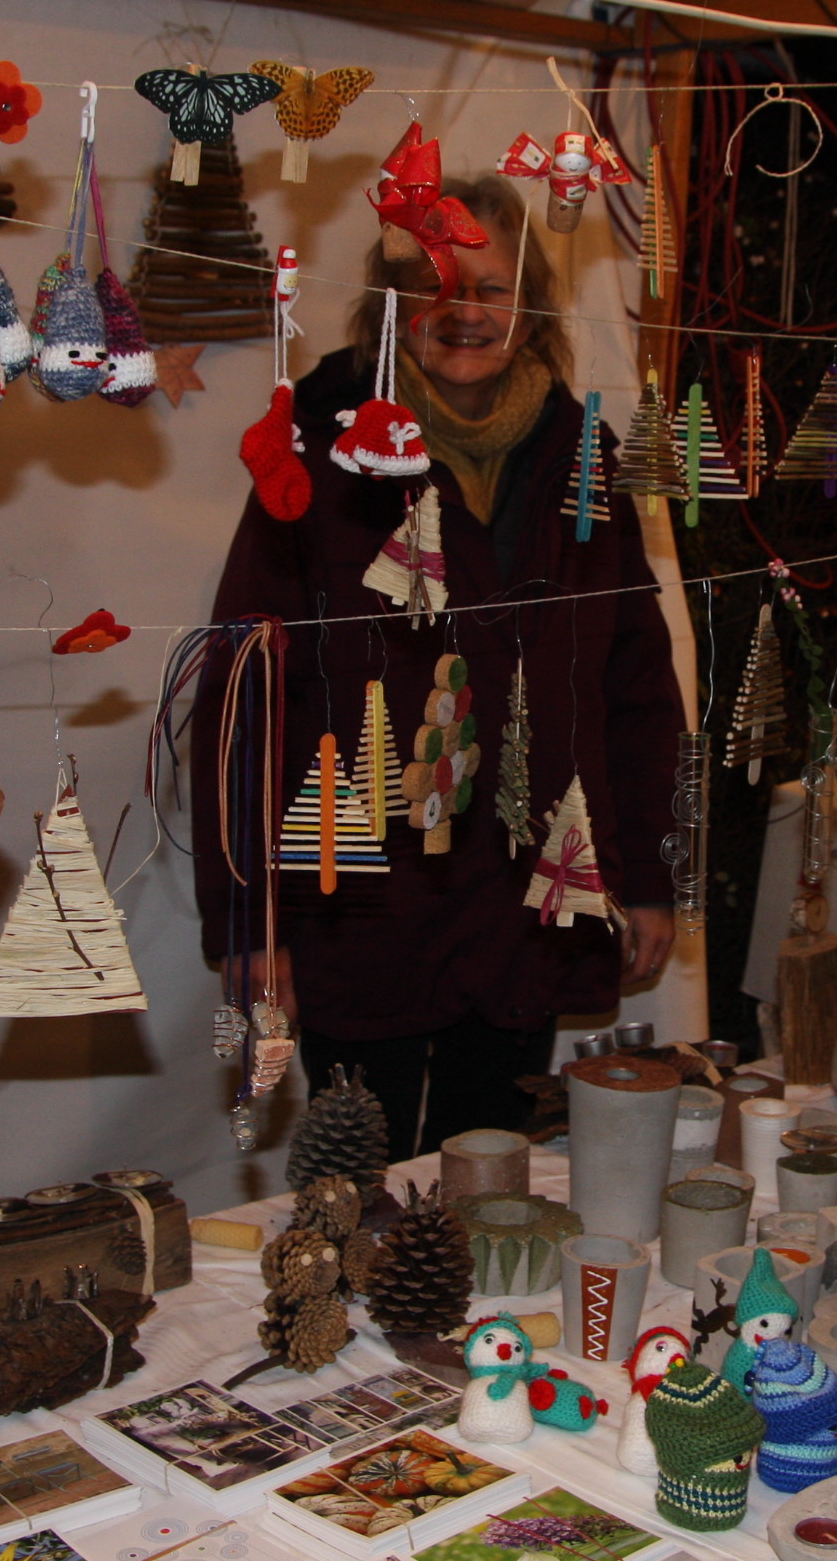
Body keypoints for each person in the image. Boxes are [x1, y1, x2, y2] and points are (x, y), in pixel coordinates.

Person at [197, 174, 682, 1160]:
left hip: (527, 908)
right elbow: (244, 699)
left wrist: (647, 876)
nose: (464, 311)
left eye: (491, 287)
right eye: (433, 284)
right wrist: (249, 918)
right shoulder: (324, 453)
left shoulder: (578, 453)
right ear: (388, 299)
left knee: (488, 1183)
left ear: (529, 303)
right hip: (361, 915)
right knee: (354, 1191)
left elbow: (634, 682)